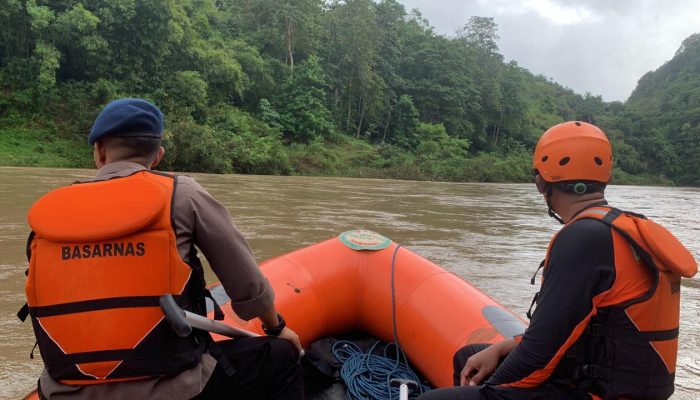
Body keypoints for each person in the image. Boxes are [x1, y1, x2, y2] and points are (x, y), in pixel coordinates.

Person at [20, 98, 304, 399]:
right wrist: (276, 328)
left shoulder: (49, 217)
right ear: (158, 156)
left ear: (100, 151)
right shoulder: (182, 194)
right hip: (172, 388)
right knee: (282, 355)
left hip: (64, 392)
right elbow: (247, 285)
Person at [418, 121, 697, 400]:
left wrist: (487, 392)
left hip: (596, 394)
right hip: (611, 385)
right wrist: (504, 347)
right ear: (605, 178)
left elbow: (537, 358)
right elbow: (563, 330)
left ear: (541, 181)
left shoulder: (582, 238)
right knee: (471, 356)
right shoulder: (619, 229)